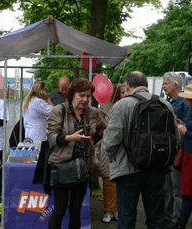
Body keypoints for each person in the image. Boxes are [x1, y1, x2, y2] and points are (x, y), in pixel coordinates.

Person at [103, 71, 180, 229]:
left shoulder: (122, 105)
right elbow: (176, 137)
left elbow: (111, 140)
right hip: (157, 168)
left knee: (126, 218)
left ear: (127, 86)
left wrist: (112, 159)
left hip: (128, 170)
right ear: (145, 84)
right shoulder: (165, 104)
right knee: (156, 219)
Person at [47, 78, 106, 229]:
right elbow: (51, 138)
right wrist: (69, 138)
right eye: (81, 95)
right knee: (59, 210)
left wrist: (91, 142)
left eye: (88, 96)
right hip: (62, 166)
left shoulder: (93, 112)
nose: (85, 99)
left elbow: (102, 128)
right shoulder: (59, 110)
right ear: (72, 94)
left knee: (76, 210)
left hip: (82, 168)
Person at [162, 72, 191, 229]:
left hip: (179, 152)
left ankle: (178, 219)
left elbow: (186, 126)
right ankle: (167, 217)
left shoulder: (184, 103)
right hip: (168, 150)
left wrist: (177, 124)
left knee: (177, 188)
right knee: (167, 187)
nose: (163, 86)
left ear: (175, 85)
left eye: (166, 83)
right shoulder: (168, 101)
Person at [94, 83, 126, 223]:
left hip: (123, 148)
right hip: (106, 146)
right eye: (123, 92)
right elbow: (98, 130)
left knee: (121, 181)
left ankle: (117, 209)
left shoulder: (129, 106)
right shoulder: (104, 108)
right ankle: (108, 209)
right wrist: (97, 149)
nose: (126, 94)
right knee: (108, 180)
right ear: (117, 93)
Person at [171, 85, 192, 229]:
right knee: (186, 193)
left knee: (187, 194)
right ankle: (180, 224)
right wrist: (184, 125)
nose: (187, 102)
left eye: (189, 99)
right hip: (188, 156)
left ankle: (180, 224)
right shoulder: (191, 111)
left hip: (190, 158)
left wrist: (186, 132)